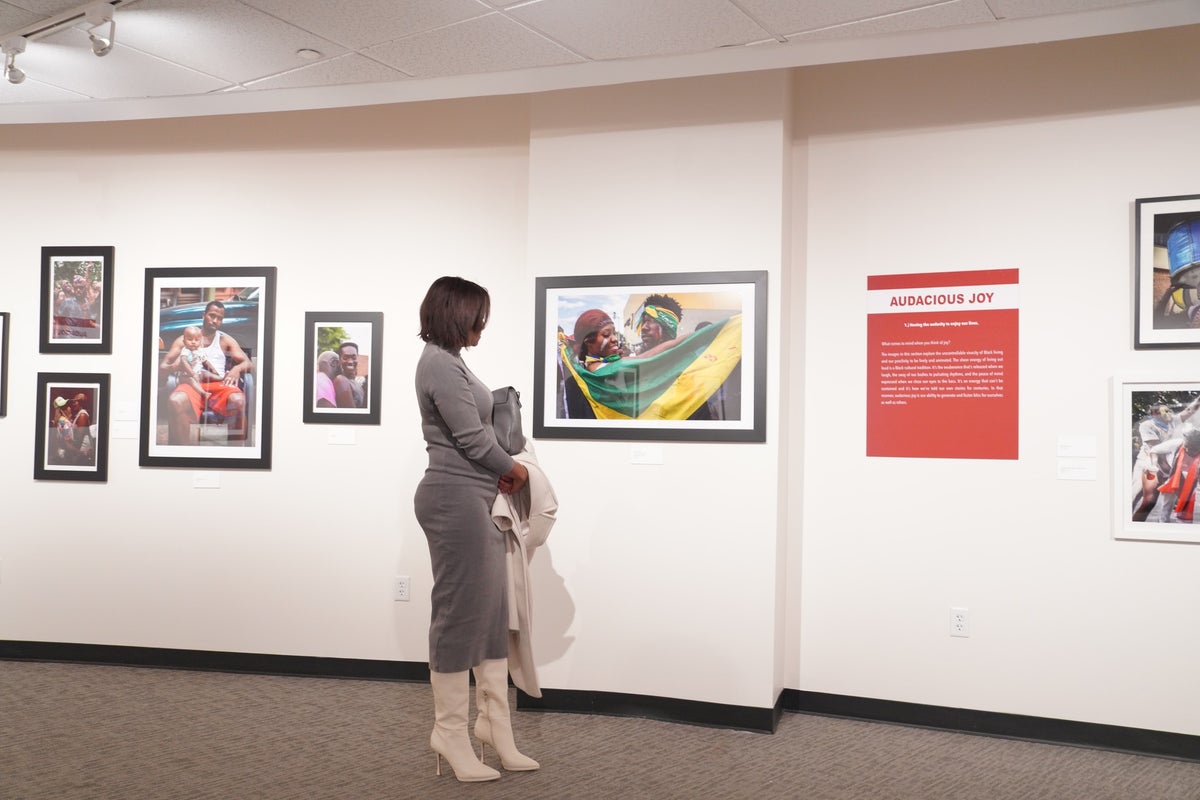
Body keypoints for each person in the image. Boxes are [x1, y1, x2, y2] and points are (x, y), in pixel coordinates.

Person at [414, 276, 535, 783]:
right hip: (454, 500)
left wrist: (504, 469)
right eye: (477, 317)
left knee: (489, 613)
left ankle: (493, 727)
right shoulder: (439, 365)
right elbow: (471, 439)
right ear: (456, 314)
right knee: (458, 617)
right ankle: (450, 732)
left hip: (474, 496)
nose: (482, 326)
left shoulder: (454, 361)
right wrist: (519, 469)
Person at [159, 300, 252, 444]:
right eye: (212, 316)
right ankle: (183, 457)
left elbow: (248, 363)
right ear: (204, 315)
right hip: (191, 384)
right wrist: (176, 366)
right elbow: (163, 366)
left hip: (219, 384)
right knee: (175, 401)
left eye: (219, 318)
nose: (215, 321)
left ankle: (235, 458)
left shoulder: (225, 340)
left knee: (239, 401)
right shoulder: (185, 339)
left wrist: (236, 369)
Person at [573, 308, 684, 372]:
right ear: (588, 342)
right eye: (606, 335)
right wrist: (688, 338)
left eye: (614, 333)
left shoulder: (601, 362)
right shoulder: (598, 368)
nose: (615, 339)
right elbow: (643, 358)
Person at [161, 326, 222, 400]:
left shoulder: (199, 351)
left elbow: (205, 362)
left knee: (206, 374)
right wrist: (192, 374)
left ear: (200, 341)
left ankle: (221, 378)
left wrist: (213, 369)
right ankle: (203, 393)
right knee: (191, 380)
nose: (193, 342)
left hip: (198, 374)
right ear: (184, 341)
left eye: (197, 340)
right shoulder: (186, 351)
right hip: (185, 376)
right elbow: (184, 362)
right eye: (190, 339)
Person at [336, 341, 366, 408]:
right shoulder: (341, 380)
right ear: (339, 359)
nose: (350, 361)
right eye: (345, 358)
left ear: (358, 358)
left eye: (354, 357)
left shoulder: (356, 382)